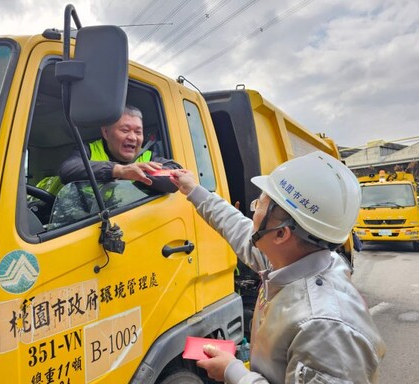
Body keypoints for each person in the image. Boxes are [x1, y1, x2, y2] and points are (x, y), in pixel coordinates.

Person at [170, 151, 386, 384]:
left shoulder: (326, 328)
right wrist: (193, 190)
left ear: (281, 233)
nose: (253, 212)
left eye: (259, 204)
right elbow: (236, 227)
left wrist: (233, 372)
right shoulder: (289, 260)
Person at [59, 105, 181, 193]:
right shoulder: (89, 150)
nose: (133, 137)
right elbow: (67, 170)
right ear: (106, 132)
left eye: (138, 132)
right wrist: (117, 170)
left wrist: (139, 174)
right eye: (125, 130)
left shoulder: (148, 156)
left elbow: (176, 175)